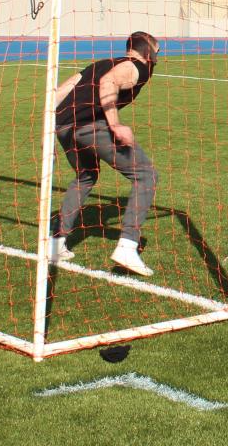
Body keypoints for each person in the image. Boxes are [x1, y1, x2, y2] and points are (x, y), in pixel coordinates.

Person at [49, 31, 161, 275]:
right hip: (89, 126)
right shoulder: (136, 67)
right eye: (157, 50)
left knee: (86, 175)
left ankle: (56, 242)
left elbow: (59, 92)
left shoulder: (100, 63)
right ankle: (128, 245)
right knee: (146, 175)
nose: (158, 56)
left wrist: (49, 130)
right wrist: (115, 124)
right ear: (146, 52)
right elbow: (108, 82)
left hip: (65, 127)